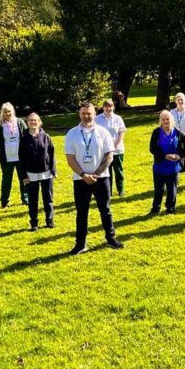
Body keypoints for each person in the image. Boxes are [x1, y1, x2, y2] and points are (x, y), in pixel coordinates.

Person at [64, 102, 124, 255]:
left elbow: (109, 155)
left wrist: (96, 174)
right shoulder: (72, 133)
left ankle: (111, 239)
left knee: (105, 210)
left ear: (94, 114)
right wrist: (84, 175)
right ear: (79, 114)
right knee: (81, 212)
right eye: (83, 113)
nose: (86, 116)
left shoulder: (103, 132)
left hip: (101, 178)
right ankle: (80, 244)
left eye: (89, 113)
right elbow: (70, 158)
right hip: (80, 179)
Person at [19, 113, 56, 231]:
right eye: (31, 120)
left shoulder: (46, 137)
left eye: (35, 120)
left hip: (46, 172)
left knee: (48, 198)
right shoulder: (24, 139)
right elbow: (21, 159)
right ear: (27, 122)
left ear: (39, 122)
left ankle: (49, 220)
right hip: (31, 174)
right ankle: (34, 223)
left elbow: (52, 154)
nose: (33, 122)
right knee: (33, 200)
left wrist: (53, 170)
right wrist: (24, 175)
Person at [149, 110, 185, 215]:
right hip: (159, 166)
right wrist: (164, 156)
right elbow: (152, 148)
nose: (166, 121)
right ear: (160, 121)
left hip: (173, 167)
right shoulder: (156, 132)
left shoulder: (177, 132)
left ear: (171, 120)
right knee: (158, 189)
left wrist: (179, 155)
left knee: (172, 189)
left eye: (168, 119)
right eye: (163, 119)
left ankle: (170, 208)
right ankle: (155, 208)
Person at [0, 102, 28, 207]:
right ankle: (4, 201)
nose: (7, 114)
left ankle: (25, 199)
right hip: (7, 156)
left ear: (12, 111)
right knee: (6, 179)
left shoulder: (20, 122)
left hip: (21, 156)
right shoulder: (0, 124)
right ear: (2, 113)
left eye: (9, 111)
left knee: (24, 178)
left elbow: (27, 136)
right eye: (5, 112)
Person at [95, 99, 127, 196]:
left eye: (111, 106)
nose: (109, 108)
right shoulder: (97, 119)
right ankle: (108, 191)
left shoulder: (118, 118)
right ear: (103, 107)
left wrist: (114, 145)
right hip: (104, 151)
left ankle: (120, 189)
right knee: (106, 171)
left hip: (117, 150)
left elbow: (121, 133)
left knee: (118, 171)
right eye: (107, 106)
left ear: (113, 107)